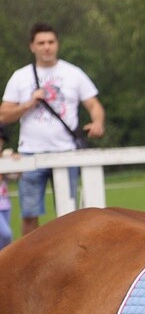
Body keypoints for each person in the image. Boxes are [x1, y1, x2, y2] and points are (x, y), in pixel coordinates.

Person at [0, 22, 105, 235]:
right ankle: (29, 262)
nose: (47, 47)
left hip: (66, 152)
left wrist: (98, 123)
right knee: (29, 214)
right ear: (32, 46)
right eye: (41, 43)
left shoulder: (73, 73)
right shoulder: (20, 77)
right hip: (31, 153)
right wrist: (29, 104)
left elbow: (94, 105)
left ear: (57, 44)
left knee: (69, 215)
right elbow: (4, 115)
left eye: (51, 42)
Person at [0, 126, 16, 250]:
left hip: (5, 204)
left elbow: (14, 177)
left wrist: (16, 162)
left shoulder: (4, 158)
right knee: (6, 234)